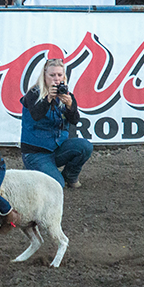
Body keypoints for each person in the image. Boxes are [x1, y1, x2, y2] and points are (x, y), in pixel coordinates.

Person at [20, 58, 93, 189]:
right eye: (52, 75)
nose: (56, 79)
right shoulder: (33, 93)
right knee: (57, 185)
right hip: (36, 152)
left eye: (59, 75)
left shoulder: (66, 94)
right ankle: (35, 169)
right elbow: (36, 116)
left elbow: (75, 121)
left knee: (85, 146)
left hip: (56, 148)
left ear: (64, 76)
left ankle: (70, 175)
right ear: (44, 76)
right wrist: (48, 99)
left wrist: (70, 106)